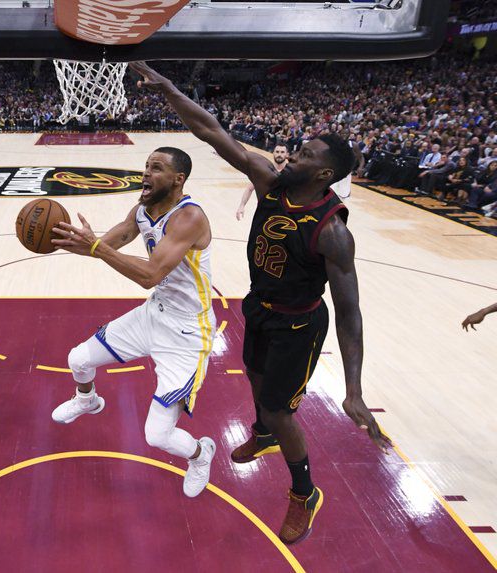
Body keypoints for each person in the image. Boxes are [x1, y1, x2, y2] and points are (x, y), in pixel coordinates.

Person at [130, 61, 391, 545]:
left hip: (299, 325)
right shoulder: (271, 182)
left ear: (325, 173)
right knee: (254, 376)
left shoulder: (333, 232)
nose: (292, 155)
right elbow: (211, 131)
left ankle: (303, 492)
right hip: (260, 307)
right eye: (297, 148)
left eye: (305, 154)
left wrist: (354, 389)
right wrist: (168, 87)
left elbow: (351, 316)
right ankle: (264, 431)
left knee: (280, 408)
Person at [51, 147, 217, 499]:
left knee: (156, 436)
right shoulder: (141, 210)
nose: (145, 173)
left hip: (186, 333)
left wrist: (96, 247)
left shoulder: (189, 217)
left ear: (178, 179)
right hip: (153, 314)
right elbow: (105, 244)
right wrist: (60, 240)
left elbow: (150, 274)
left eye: (156, 168)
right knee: (78, 359)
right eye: (145, 166)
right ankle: (88, 400)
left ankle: (201, 454)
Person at [237, 144, 289, 220]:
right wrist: (242, 206)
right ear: (273, 153)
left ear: (287, 154)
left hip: (284, 214)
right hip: (264, 211)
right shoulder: (265, 170)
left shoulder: (292, 171)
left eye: (282, 152)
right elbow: (249, 189)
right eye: (277, 152)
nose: (279, 154)